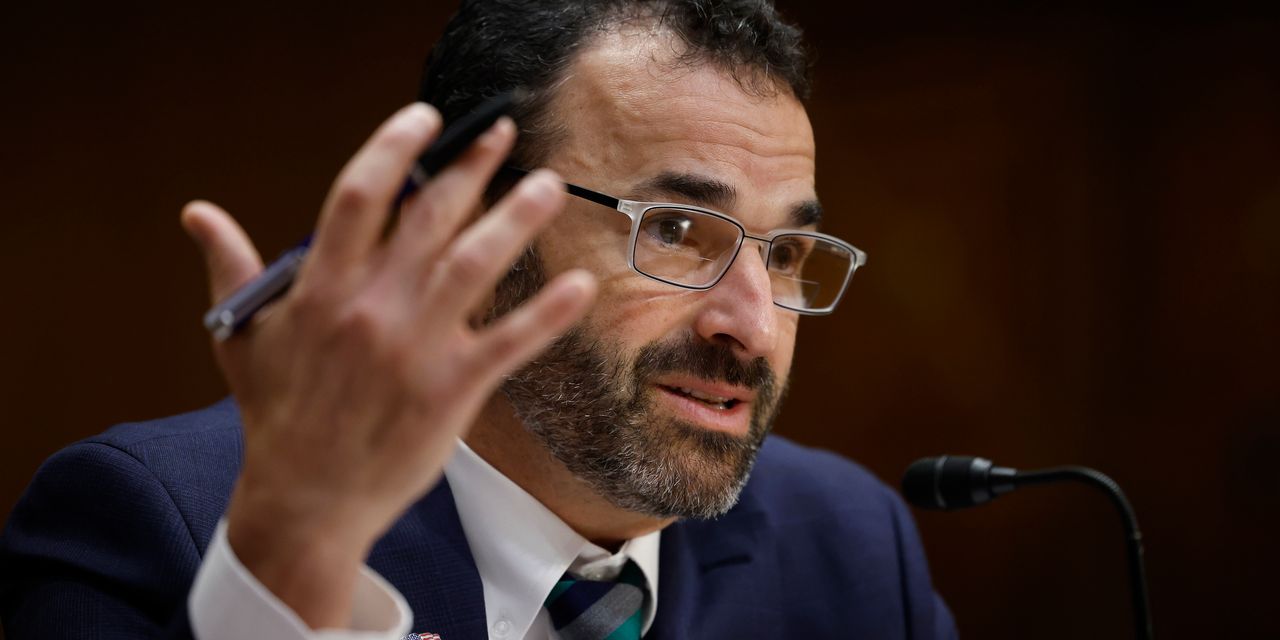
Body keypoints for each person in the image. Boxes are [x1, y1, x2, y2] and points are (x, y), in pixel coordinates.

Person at [0, 1, 957, 638]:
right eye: (673, 231)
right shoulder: (159, 524)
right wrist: (295, 563)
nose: (751, 325)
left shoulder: (850, 547)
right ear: (471, 225)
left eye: (784, 253)